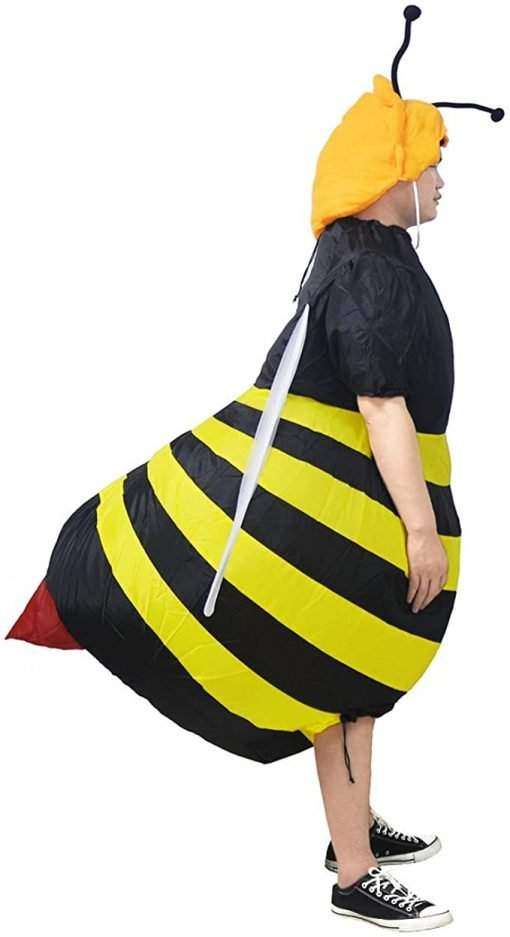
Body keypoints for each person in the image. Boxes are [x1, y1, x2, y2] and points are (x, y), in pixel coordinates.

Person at [6, 6, 504, 932]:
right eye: (433, 161)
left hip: (343, 505)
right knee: (343, 677)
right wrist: (421, 528)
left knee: (350, 672)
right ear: (392, 171)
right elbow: (381, 403)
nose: (443, 179)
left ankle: (350, 829)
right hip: (338, 515)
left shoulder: (368, 256)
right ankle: (354, 875)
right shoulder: (369, 270)